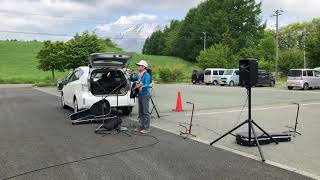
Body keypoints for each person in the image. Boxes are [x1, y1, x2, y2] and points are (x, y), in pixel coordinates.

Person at [129, 60, 151, 134]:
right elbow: (133, 79)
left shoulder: (147, 75)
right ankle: (141, 126)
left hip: (145, 94)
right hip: (140, 94)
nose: (138, 66)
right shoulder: (139, 74)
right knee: (140, 111)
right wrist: (131, 75)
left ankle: (146, 128)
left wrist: (141, 86)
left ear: (144, 67)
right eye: (138, 65)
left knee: (145, 112)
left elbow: (147, 84)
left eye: (139, 65)